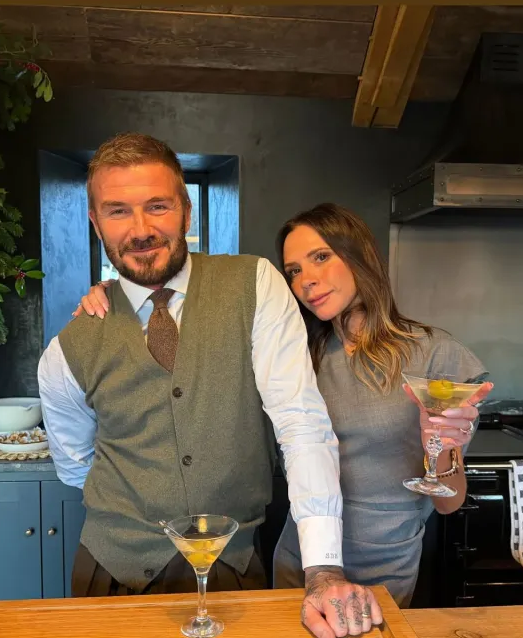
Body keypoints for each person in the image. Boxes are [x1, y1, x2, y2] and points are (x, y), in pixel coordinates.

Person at [38, 134, 381, 638]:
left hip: (231, 567)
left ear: (187, 211)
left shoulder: (257, 285)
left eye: (158, 206)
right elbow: (74, 463)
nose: (141, 229)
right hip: (110, 570)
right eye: (117, 211)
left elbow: (299, 420)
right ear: (95, 221)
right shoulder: (66, 349)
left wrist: (324, 568)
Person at [77, 197, 493, 609]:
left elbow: (448, 501)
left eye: (321, 257)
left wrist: (440, 448)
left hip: (386, 562)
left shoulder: (433, 355)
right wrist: (126, 296)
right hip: (300, 559)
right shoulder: (298, 353)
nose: (306, 280)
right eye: (294, 270)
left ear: (359, 256)